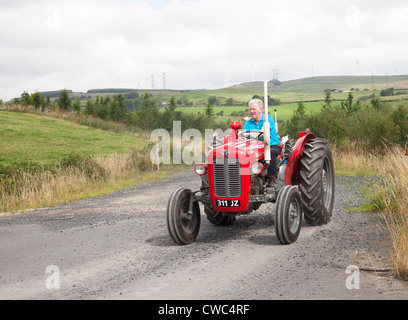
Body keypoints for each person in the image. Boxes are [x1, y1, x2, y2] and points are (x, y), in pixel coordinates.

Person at [243, 98, 281, 190]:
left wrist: (251, 134)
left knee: (270, 152)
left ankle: (272, 179)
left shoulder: (268, 119)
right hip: (255, 146)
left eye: (253, 109)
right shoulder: (248, 122)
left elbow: (264, 131)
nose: (251, 111)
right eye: (250, 109)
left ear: (260, 109)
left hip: (271, 145)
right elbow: (244, 135)